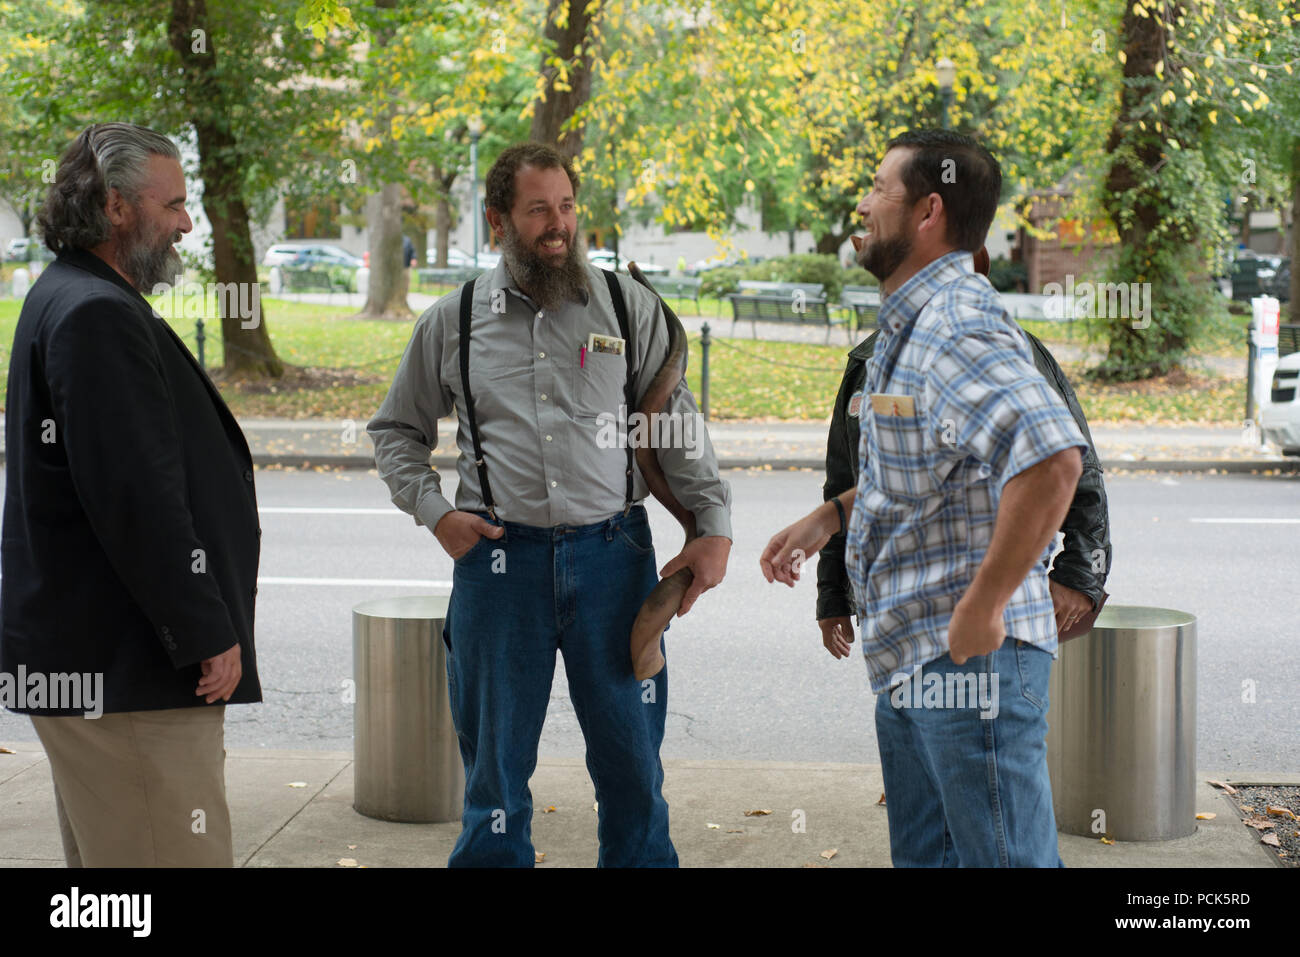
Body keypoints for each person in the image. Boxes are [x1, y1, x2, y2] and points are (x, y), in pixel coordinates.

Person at [368, 142, 732, 867]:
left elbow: (675, 420)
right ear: (499, 220)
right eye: (539, 210)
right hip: (499, 567)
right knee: (496, 782)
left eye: (566, 206)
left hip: (615, 561)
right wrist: (436, 512)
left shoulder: (626, 304)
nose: (558, 224)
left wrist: (713, 521)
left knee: (633, 770)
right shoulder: (455, 320)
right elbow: (395, 433)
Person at [761, 130, 1090, 867]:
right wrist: (835, 513)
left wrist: (986, 603)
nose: (863, 202)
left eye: (878, 188)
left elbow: (1052, 460)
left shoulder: (953, 325)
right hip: (913, 664)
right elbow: (932, 466)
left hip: (968, 664)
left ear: (927, 211)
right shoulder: (910, 328)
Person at [1, 123, 262, 867]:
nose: (187, 223)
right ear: (116, 208)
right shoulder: (94, 312)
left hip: (103, 667)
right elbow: (135, 499)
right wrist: (203, 630)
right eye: (174, 204)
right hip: (132, 675)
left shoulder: (73, 292)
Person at [817, 253, 1111, 661]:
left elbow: (1078, 471)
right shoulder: (869, 361)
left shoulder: (1009, 351)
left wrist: (1080, 575)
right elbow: (846, 482)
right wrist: (833, 596)